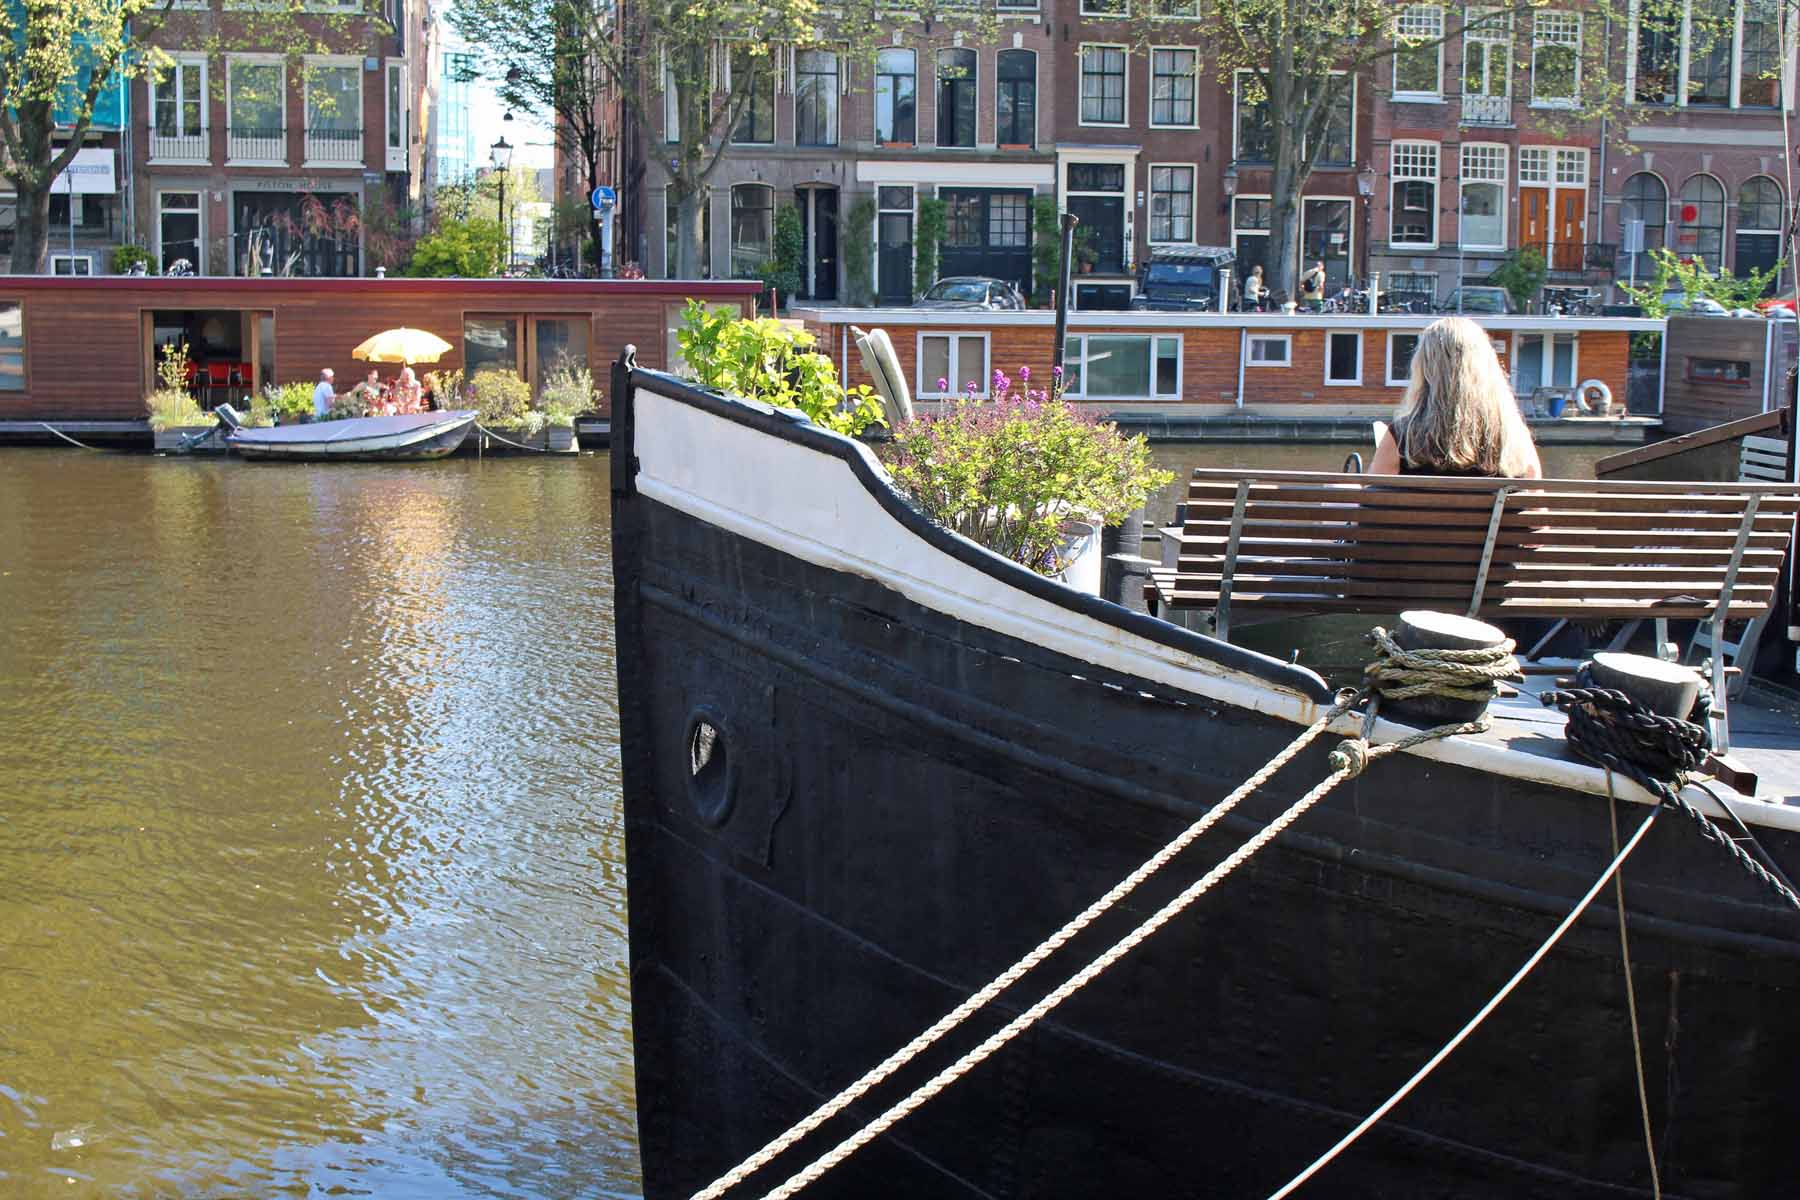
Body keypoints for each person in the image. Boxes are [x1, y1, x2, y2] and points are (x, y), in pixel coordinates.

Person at [1370, 316, 1543, 479]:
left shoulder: (1402, 436)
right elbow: (1537, 507)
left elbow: (1370, 500)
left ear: (1425, 369)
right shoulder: (1514, 436)